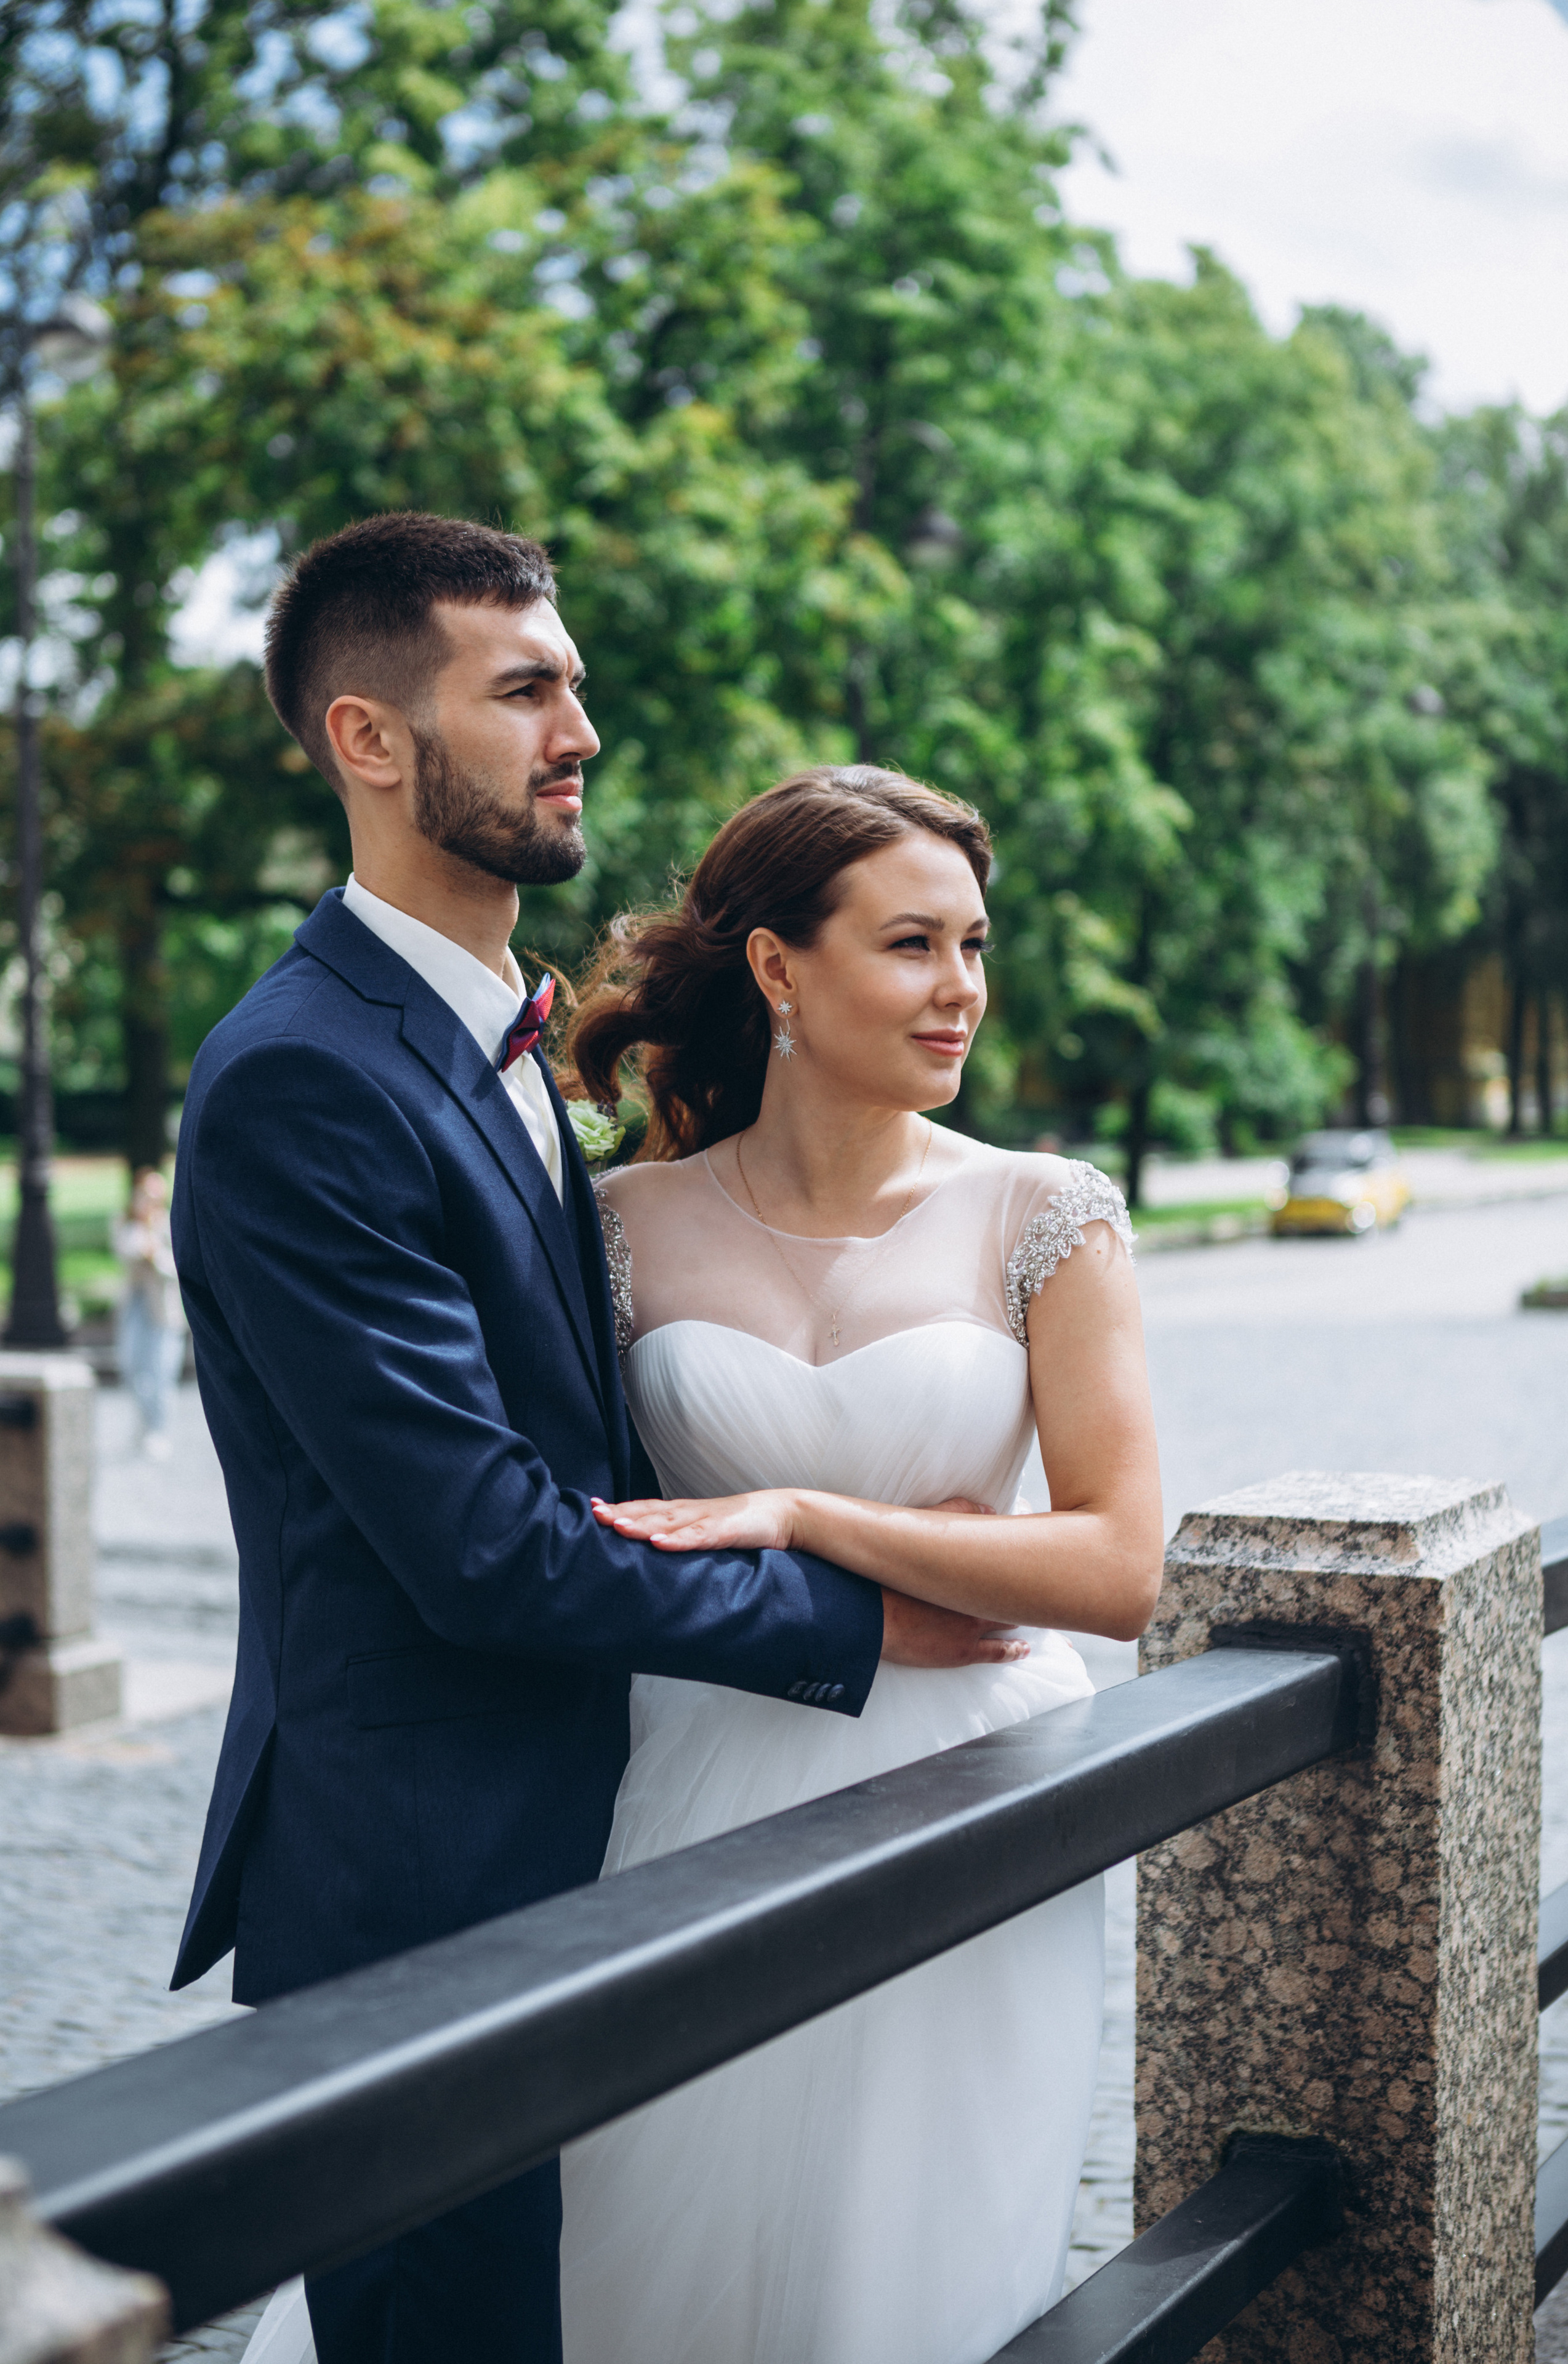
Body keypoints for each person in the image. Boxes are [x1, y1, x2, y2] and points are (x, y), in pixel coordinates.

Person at [172, 512, 1013, 2364]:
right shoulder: (305, 1074)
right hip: (420, 1876)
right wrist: (861, 1613)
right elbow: (482, 1543)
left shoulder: (490, 1045)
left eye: (574, 684)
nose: (582, 731)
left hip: (582, 1839)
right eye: (523, 690)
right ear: (367, 737)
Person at [548, 767, 1164, 2364]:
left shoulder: (1047, 1216)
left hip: (977, 1794)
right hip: (687, 1782)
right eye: (910, 945)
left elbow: (1121, 1565)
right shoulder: (613, 1227)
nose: (961, 989)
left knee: (914, 2260)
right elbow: (562, 1539)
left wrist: (809, 1518)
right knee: (641, 2241)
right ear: (777, 967)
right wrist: (903, 1561)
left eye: (973, 945)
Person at [114, 1166, 183, 1457]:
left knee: (160, 1372)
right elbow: (126, 1250)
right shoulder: (126, 1224)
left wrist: (155, 1254)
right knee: (131, 1366)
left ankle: (158, 1429)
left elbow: (177, 1268)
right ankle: (144, 1423)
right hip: (135, 1306)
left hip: (164, 1310)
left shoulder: (170, 1224)